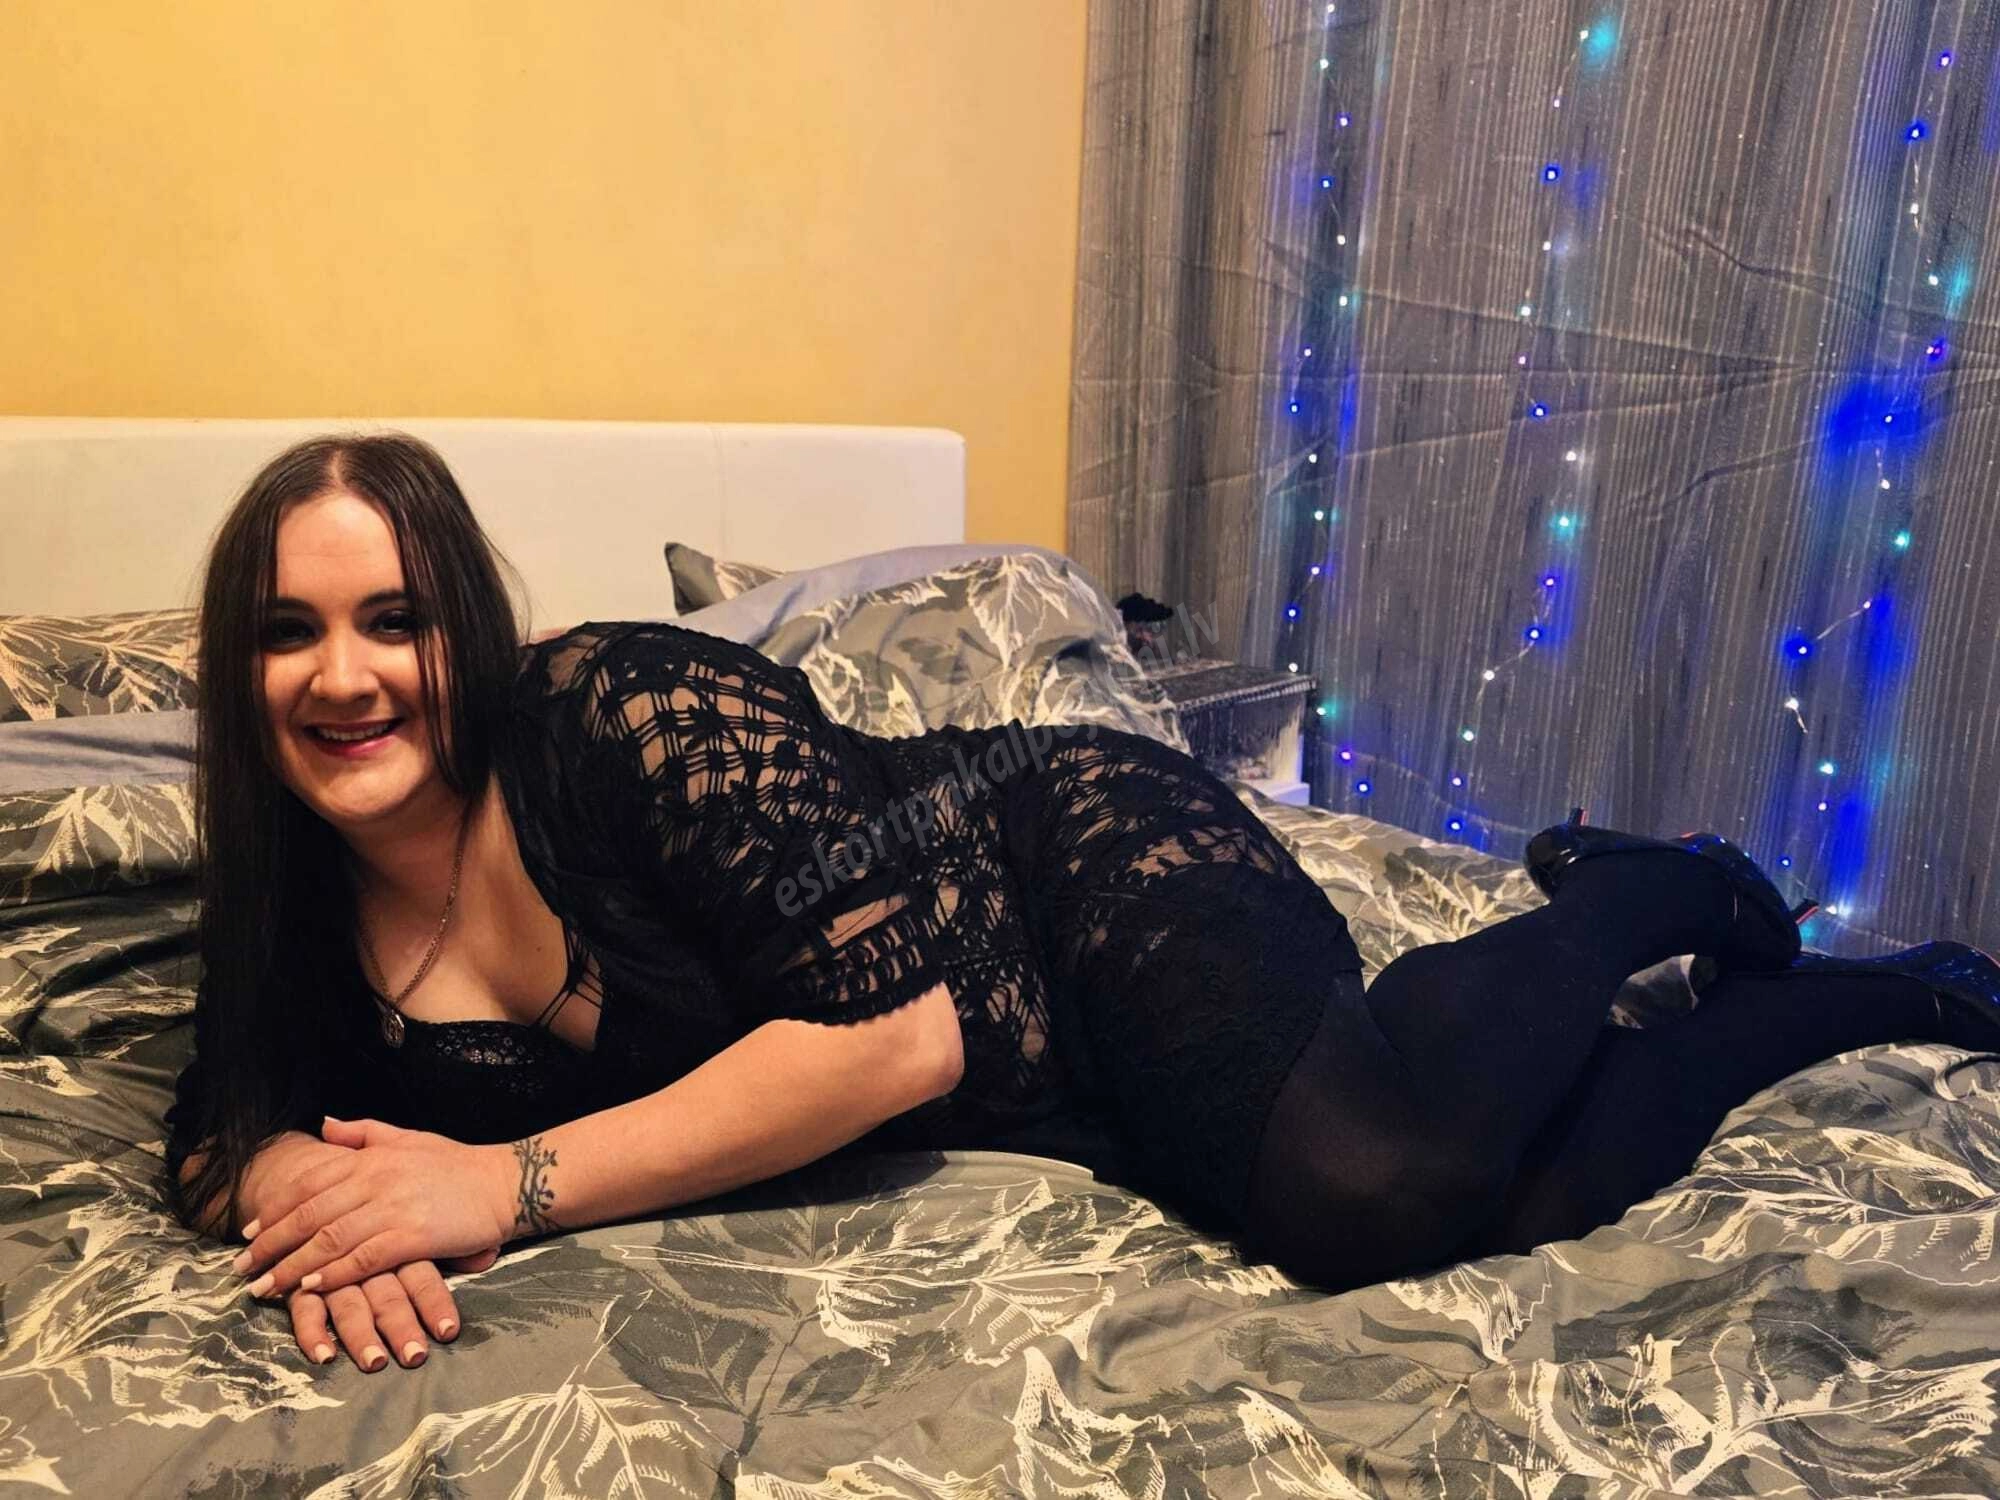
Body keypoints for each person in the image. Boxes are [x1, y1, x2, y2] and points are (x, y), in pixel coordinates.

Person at [166, 432, 2000, 1375]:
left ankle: (1639, 893)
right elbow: (218, 1121)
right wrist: (315, 1195)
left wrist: (494, 1185)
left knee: (1369, 1191)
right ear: (236, 676)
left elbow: (896, 1037)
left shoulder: (624, 710)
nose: (345, 675)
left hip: (1061, 877)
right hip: (1025, 1088)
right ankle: (1840, 996)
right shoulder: (294, 897)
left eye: (394, 618)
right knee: (1514, 1197)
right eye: (287, 632)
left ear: (468, 629)